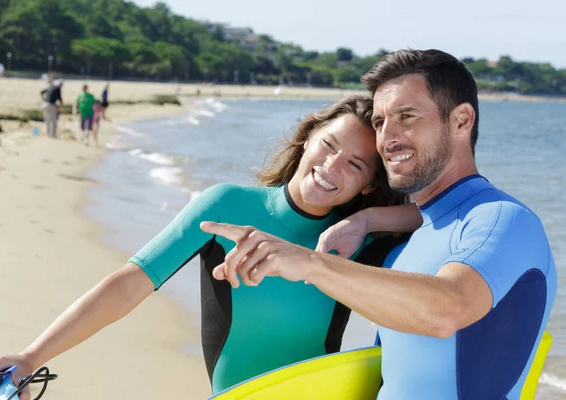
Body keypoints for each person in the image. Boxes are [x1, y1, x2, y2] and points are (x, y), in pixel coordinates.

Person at [0, 96, 423, 399]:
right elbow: (129, 285)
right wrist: (31, 357)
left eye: (355, 165)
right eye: (328, 145)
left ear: (369, 185)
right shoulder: (227, 206)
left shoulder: (353, 240)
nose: (331, 167)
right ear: (308, 137)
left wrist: (370, 219)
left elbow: (451, 214)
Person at [200, 49, 557, 399]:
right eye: (380, 121)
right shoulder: (415, 235)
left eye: (407, 116)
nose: (387, 137)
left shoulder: (505, 221)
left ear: (461, 120)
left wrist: (311, 262)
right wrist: (367, 219)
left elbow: (448, 309)